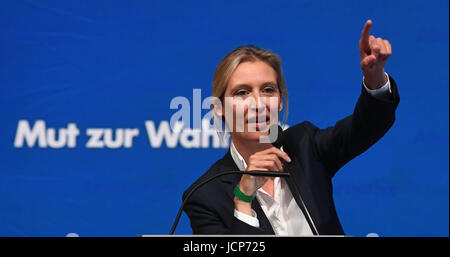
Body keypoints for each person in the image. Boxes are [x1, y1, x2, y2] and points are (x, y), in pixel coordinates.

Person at [182, 20, 400, 235]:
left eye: (268, 90)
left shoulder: (305, 146)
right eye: (242, 93)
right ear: (218, 107)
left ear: (281, 101)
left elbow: (367, 126)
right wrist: (243, 200)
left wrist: (375, 79)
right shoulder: (204, 195)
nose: (258, 104)